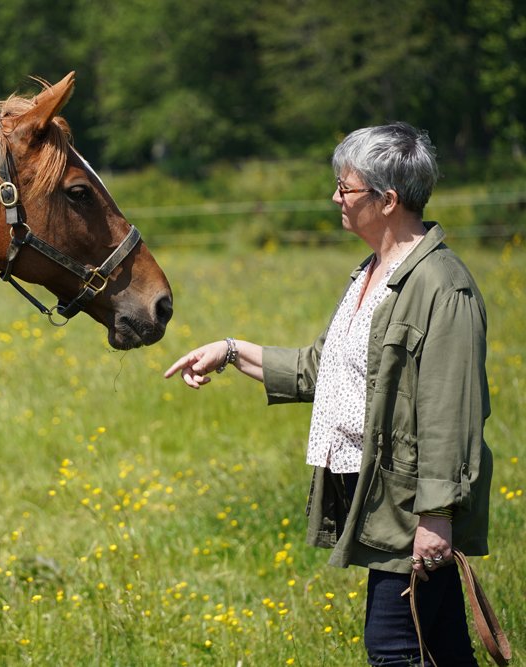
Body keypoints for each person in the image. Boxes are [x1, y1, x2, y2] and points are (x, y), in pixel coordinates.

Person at [165, 122, 492, 666]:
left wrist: (437, 516)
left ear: (388, 200)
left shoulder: (441, 285)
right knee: (440, 648)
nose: (335, 198)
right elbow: (322, 371)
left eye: (346, 187)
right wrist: (230, 351)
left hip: (411, 504)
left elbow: (451, 411)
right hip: (380, 493)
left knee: (393, 647)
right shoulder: (371, 274)